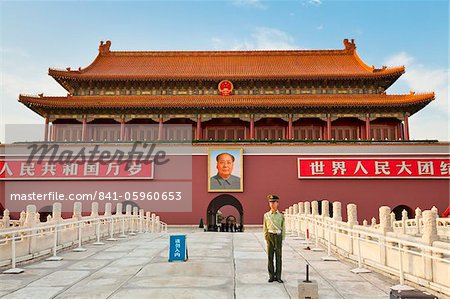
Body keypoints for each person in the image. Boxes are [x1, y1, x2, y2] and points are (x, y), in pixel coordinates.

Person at [263, 194, 285, 283]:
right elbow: (265, 227)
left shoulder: (281, 216)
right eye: (270, 202)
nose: (272, 204)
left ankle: (278, 276)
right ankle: (271, 276)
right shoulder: (266, 215)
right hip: (270, 236)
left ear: (277, 203)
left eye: (274, 202)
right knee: (270, 257)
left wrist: (282, 239)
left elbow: (283, 228)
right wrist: (265, 238)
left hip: (278, 236)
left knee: (278, 257)